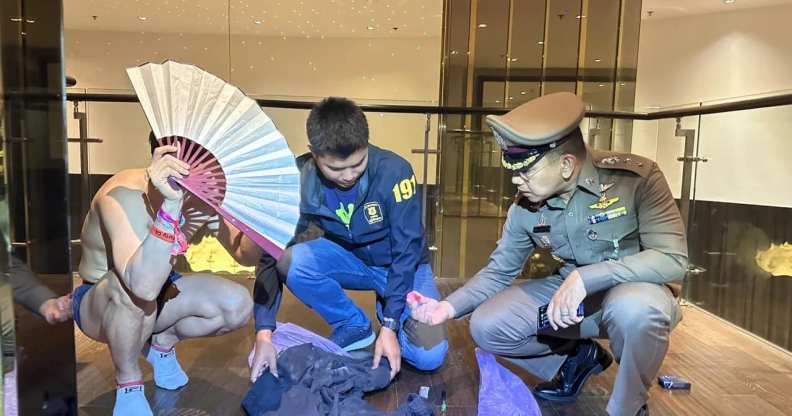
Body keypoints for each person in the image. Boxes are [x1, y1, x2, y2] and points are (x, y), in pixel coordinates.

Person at [407, 92, 687, 416]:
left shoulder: (636, 180)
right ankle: (576, 358)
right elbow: (500, 270)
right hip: (571, 302)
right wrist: (447, 307)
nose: (516, 179)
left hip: (635, 295)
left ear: (567, 165)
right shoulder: (525, 205)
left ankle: (628, 405)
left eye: (526, 172)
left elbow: (672, 258)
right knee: (487, 325)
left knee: (636, 309)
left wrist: (588, 276)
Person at [249, 97, 448, 382]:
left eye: (357, 164)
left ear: (367, 145)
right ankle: (354, 325)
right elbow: (270, 252)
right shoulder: (298, 178)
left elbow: (407, 251)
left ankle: (390, 309)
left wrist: (390, 326)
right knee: (290, 260)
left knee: (429, 358)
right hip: (351, 259)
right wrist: (264, 334)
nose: (348, 176)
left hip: (402, 267)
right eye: (336, 169)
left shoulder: (395, 172)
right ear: (314, 154)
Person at [71, 134, 263, 416]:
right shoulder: (122, 194)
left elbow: (243, 253)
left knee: (237, 304)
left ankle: (160, 346)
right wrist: (172, 206)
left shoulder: (200, 196)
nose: (211, 174)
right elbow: (141, 285)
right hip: (103, 301)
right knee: (132, 293)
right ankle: (128, 380)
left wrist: (255, 218)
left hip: (159, 291)